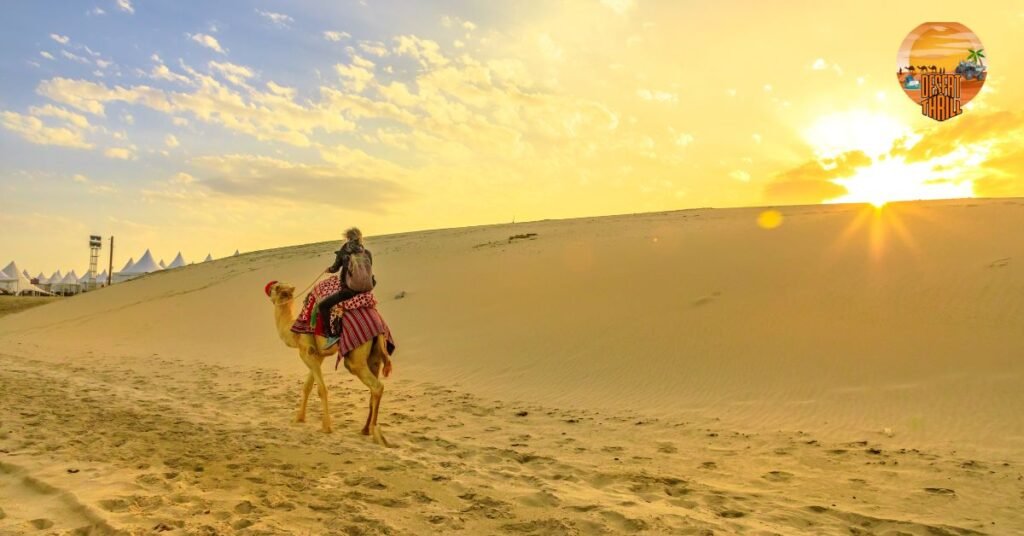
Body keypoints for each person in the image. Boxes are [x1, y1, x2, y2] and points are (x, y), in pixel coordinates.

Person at [317, 227, 376, 341]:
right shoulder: (367, 252)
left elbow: (335, 268)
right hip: (366, 289)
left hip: (349, 291)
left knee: (323, 306)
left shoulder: (344, 251)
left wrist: (329, 269)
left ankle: (331, 336)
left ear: (348, 238)